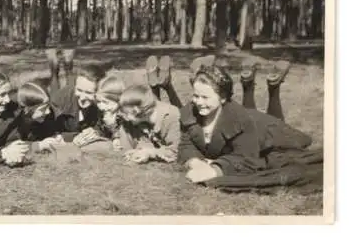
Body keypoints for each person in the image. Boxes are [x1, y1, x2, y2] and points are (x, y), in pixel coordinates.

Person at [176, 63, 322, 193]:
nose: (199, 102)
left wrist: (215, 170)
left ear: (223, 98)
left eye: (205, 97)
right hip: (251, 120)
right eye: (196, 96)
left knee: (284, 144)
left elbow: (246, 159)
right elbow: (186, 144)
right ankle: (259, 85)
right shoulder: (189, 112)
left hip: (271, 134)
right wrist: (194, 162)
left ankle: (273, 87)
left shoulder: (240, 120)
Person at [0, 70, 60, 168]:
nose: (7, 99)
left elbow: (13, 142)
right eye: (2, 95)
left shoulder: (9, 113)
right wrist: (2, 154)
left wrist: (39, 145)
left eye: (8, 94)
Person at [116, 84, 181, 164]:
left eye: (125, 112)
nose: (122, 115)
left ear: (136, 110)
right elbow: (129, 148)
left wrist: (150, 153)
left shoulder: (171, 116)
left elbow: (176, 151)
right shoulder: (135, 121)